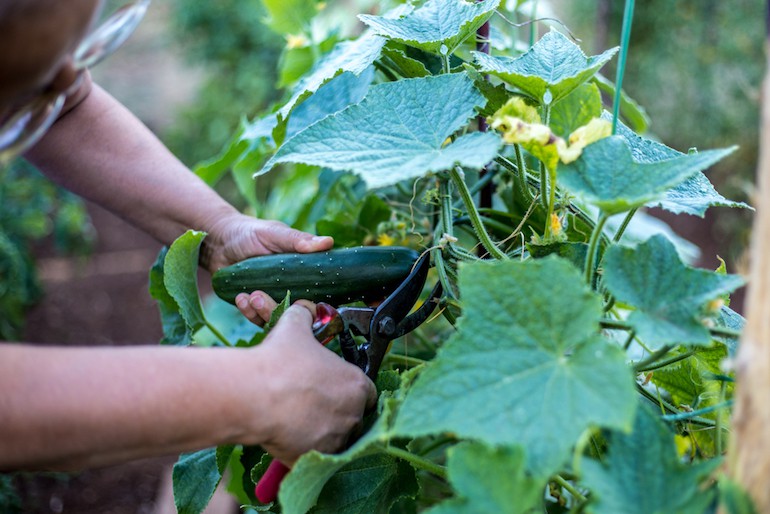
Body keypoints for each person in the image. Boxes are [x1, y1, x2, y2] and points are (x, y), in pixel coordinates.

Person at [0, 0, 377, 472]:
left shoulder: (47, 83)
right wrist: (258, 391)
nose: (66, 78)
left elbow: (62, 103)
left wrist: (219, 231)